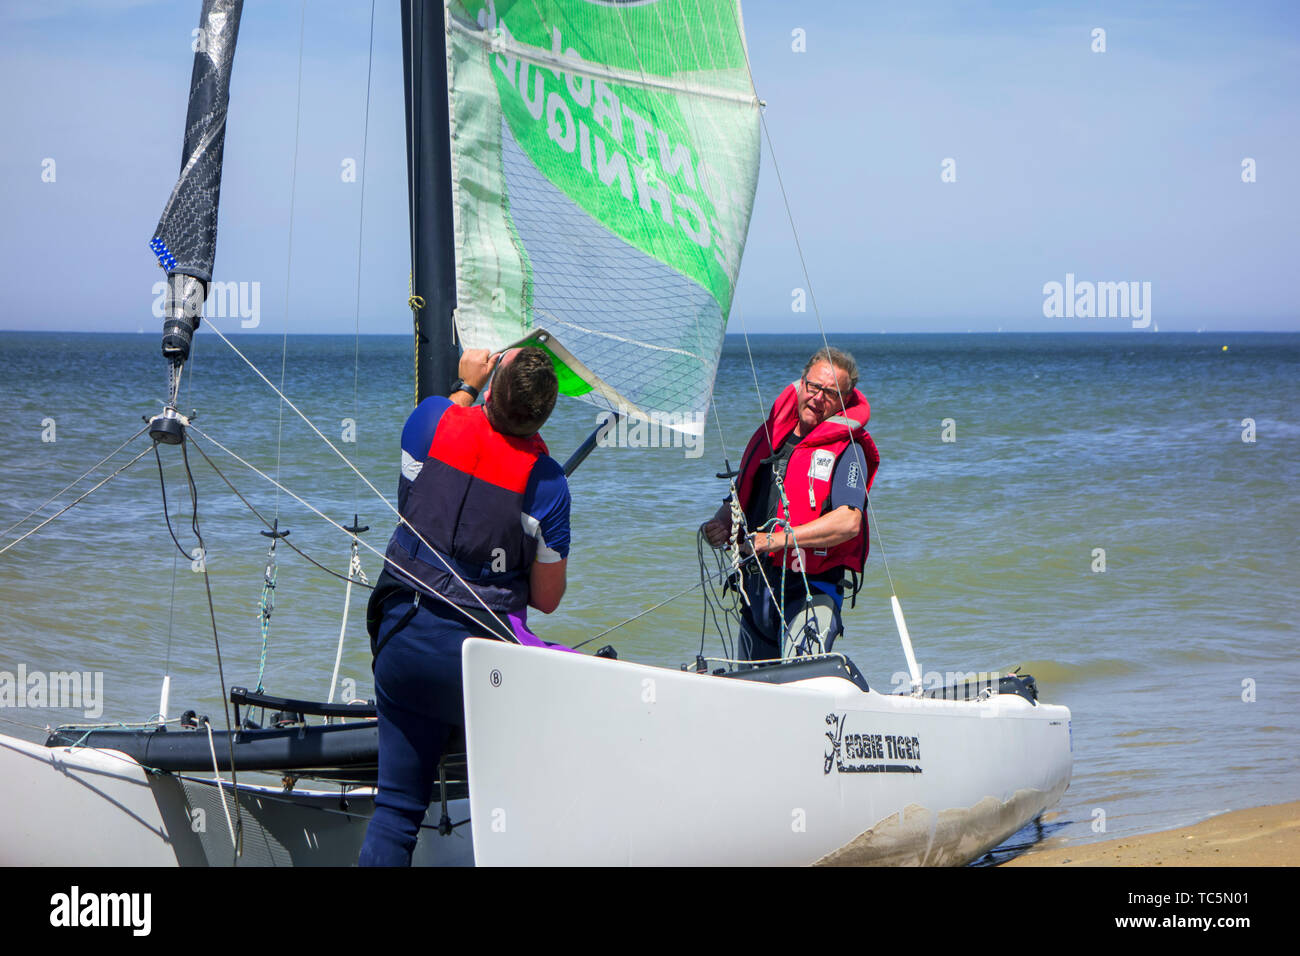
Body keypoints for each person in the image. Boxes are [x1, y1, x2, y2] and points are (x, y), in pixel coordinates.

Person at [358, 346, 570, 866]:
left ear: (492, 386)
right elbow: (546, 600)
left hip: (401, 638)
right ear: (543, 415)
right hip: (477, 665)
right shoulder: (548, 483)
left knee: (398, 810)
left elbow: (447, 420)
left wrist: (467, 384)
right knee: (526, 799)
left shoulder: (432, 419)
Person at [702, 347, 879, 662]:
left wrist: (774, 540)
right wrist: (720, 525)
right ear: (802, 383)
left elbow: (849, 522)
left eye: (830, 393)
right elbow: (742, 496)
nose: (818, 397)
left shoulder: (849, 450)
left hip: (811, 591)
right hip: (757, 591)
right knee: (751, 689)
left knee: (800, 678)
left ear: (843, 402)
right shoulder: (774, 436)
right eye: (813, 387)